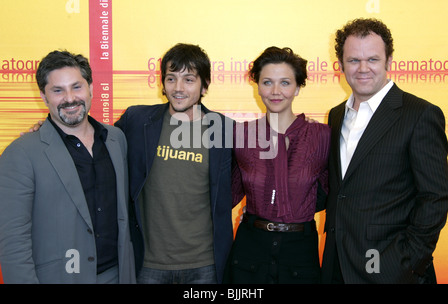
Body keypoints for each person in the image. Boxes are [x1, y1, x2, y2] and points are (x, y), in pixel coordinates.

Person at [321, 18, 448, 284]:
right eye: (354, 60)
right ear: (341, 65)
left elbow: (436, 196)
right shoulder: (335, 116)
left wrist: (407, 262)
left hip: (391, 270)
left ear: (389, 61)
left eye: (373, 59)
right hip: (337, 267)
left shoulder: (420, 114)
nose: (363, 68)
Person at [0, 50, 136, 283]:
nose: (70, 98)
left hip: (117, 275)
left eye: (76, 87)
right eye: (58, 90)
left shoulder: (116, 139)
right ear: (43, 96)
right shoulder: (20, 153)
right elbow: (13, 241)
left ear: (91, 87)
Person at [115, 43, 233, 284]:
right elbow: (96, 143)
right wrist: (54, 128)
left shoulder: (224, 130)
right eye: (171, 78)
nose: (178, 88)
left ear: (205, 85)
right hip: (148, 264)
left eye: (189, 79)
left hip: (204, 265)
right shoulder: (136, 121)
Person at [224, 47, 330, 283]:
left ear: (298, 87)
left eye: (285, 83)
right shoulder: (242, 134)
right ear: (257, 86)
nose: (275, 91)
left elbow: (333, 192)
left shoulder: (322, 136)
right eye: (267, 82)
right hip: (250, 249)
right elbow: (226, 194)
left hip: (300, 252)